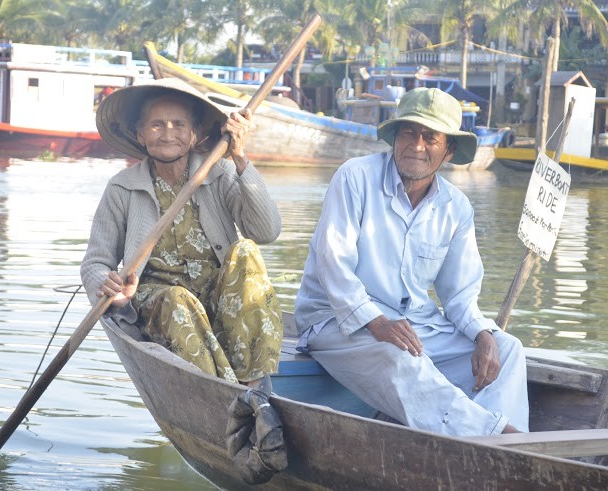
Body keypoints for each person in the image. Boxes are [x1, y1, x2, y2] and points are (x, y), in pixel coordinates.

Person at [294, 87, 529, 437]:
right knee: (399, 356)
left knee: (508, 349)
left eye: (430, 137)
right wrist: (376, 323)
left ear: (448, 150)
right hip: (336, 322)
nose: (416, 146)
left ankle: (496, 449)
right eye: (408, 132)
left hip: (415, 326)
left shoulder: (456, 208)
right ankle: (497, 440)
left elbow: (460, 296)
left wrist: (484, 334)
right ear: (394, 138)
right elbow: (334, 264)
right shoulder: (355, 177)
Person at [81, 78, 283, 388]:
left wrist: (241, 158)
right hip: (160, 303)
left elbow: (266, 231)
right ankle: (225, 393)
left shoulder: (221, 174)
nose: (168, 133)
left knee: (247, 252)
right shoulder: (122, 187)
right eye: (156, 125)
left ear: (195, 135)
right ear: (140, 134)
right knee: (177, 299)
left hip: (217, 300)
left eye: (179, 125)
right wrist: (107, 286)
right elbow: (95, 261)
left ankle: (255, 386)